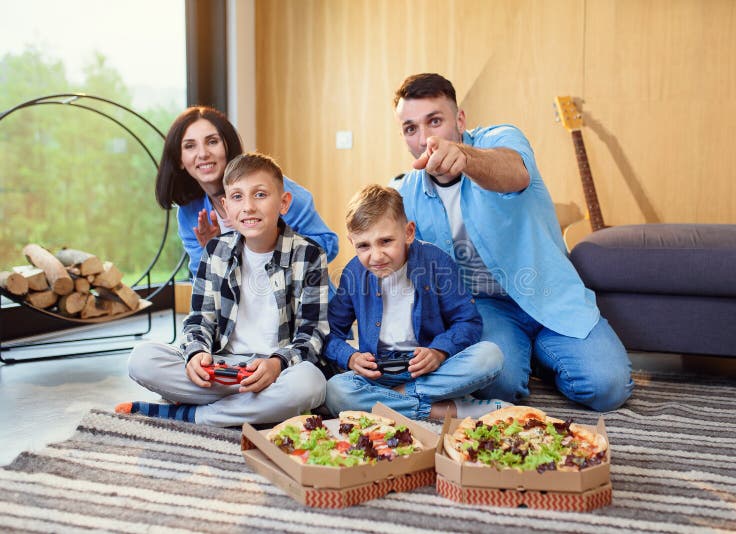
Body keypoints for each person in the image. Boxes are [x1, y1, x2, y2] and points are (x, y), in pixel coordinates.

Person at [390, 73, 633, 411]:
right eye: (411, 128)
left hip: (550, 295)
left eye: (435, 121)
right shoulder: (406, 192)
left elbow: (514, 173)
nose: (425, 139)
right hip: (488, 307)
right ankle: (522, 355)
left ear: (460, 120)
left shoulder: (500, 139)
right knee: (496, 387)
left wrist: (465, 156)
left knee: (607, 388)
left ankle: (542, 357)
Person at [118, 153, 329, 426]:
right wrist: (196, 353)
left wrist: (276, 364)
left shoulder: (309, 255)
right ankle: (250, 409)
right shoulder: (216, 250)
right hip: (222, 367)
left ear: (284, 203)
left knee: (311, 385)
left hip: (276, 371)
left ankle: (195, 414)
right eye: (238, 197)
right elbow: (199, 318)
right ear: (226, 208)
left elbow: (312, 333)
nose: (249, 207)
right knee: (142, 359)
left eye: (261, 195)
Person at [324, 184, 509, 420]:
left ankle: (393, 399)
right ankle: (444, 410)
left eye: (386, 241)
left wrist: (439, 352)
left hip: (431, 369)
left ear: (408, 232)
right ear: (352, 242)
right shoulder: (353, 273)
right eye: (364, 246)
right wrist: (350, 357)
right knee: (336, 391)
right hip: (380, 373)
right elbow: (330, 332)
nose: (376, 256)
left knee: (490, 356)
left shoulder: (437, 262)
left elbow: (467, 321)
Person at [155, 106, 338, 277]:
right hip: (242, 310)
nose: (203, 153)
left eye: (212, 141)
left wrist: (265, 235)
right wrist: (217, 250)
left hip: (302, 305)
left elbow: (328, 245)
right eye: (190, 146)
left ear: (228, 147)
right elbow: (203, 279)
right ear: (179, 159)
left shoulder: (271, 187)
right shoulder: (189, 213)